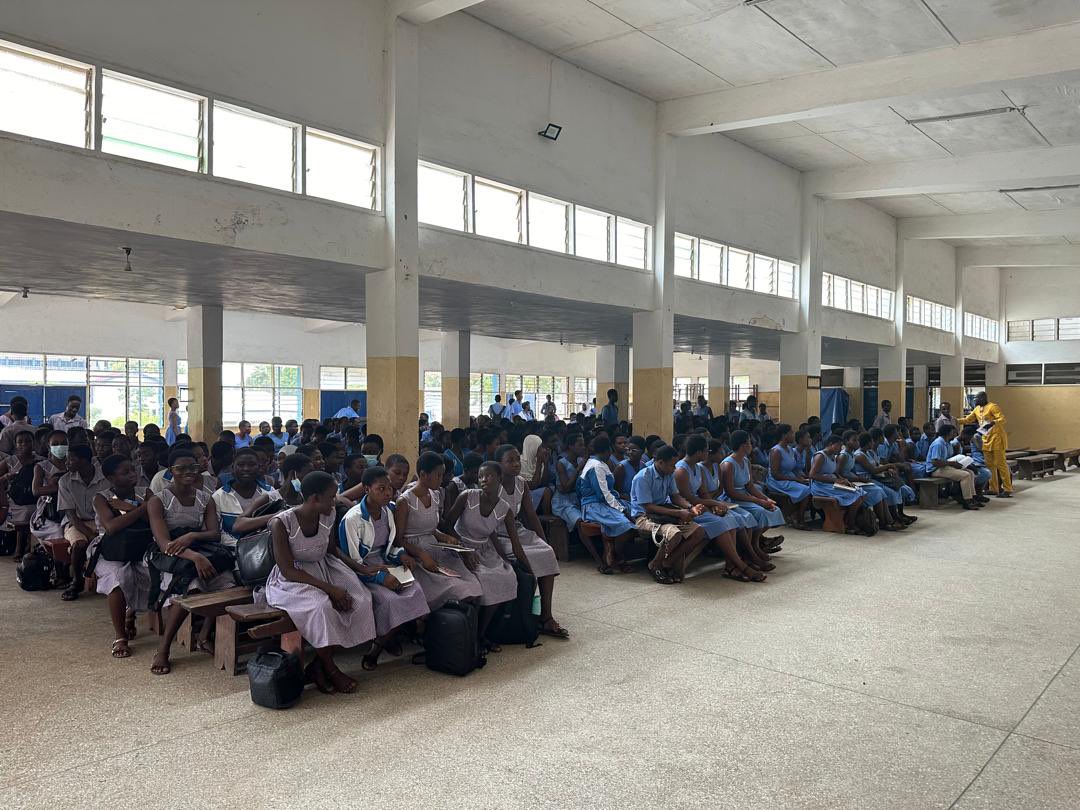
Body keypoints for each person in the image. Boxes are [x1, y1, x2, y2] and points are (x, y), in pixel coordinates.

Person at [264, 470, 375, 694]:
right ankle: (331, 668)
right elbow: (287, 569)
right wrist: (330, 589)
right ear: (314, 498)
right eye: (331, 496)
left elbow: (332, 549)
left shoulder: (329, 514)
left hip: (325, 567)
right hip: (293, 579)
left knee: (361, 599)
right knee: (321, 606)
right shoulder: (281, 523)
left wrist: (360, 568)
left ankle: (317, 665)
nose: (335, 501)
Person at [146, 446, 232, 675]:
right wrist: (195, 556)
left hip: (197, 548)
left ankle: (204, 634)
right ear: (170, 471)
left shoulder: (205, 499)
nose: (189, 472)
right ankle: (163, 649)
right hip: (169, 556)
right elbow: (164, 544)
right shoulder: (159, 500)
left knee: (229, 585)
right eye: (181, 468)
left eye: (193, 467)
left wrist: (193, 536)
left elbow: (213, 532)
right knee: (189, 589)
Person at [339, 466, 430, 670]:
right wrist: (381, 578)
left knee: (415, 590)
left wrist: (402, 556)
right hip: (365, 571)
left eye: (389, 488)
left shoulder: (388, 510)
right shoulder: (352, 520)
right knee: (389, 601)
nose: (387, 493)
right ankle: (377, 648)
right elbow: (354, 562)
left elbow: (390, 546)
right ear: (366, 489)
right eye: (381, 489)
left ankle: (394, 637)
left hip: (385, 563)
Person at [493, 445, 569, 639]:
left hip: (517, 531)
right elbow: (489, 522)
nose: (516, 464)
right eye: (510, 461)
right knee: (528, 556)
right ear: (499, 465)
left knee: (546, 552)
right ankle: (525, 613)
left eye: (517, 459)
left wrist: (544, 540)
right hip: (496, 534)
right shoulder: (494, 484)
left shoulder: (521, 483)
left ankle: (546, 616)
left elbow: (531, 515)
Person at [445, 461, 523, 646]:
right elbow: (447, 524)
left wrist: (525, 566)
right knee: (486, 579)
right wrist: (464, 550)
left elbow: (515, 542)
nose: (483, 480)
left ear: (500, 478)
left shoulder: (504, 509)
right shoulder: (467, 496)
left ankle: (482, 632)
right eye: (480, 476)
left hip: (484, 550)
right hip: (460, 547)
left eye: (489, 475)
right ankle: (473, 634)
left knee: (507, 576)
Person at [394, 451, 483, 611]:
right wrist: (422, 555)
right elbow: (399, 539)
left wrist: (446, 537)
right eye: (438, 475)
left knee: (472, 582)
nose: (442, 479)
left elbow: (431, 528)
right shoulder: (405, 501)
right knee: (454, 587)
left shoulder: (435, 495)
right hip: (417, 555)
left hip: (435, 549)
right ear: (423, 474)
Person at [88, 453, 152, 658]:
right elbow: (112, 527)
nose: (132, 474)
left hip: (142, 547)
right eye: (125, 473)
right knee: (117, 579)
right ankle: (120, 636)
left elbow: (157, 520)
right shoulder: (102, 497)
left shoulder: (146, 493)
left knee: (156, 573)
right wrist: (143, 510)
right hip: (111, 551)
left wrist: (131, 508)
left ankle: (131, 612)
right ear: (110, 478)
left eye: (133, 470)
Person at [673, 435, 753, 577]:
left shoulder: (697, 468)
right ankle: (739, 565)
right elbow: (688, 497)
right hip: (686, 508)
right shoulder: (681, 470)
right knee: (720, 523)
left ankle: (730, 565)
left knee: (730, 520)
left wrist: (715, 506)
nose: (706, 454)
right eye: (705, 451)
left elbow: (703, 493)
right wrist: (715, 503)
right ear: (699, 452)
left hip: (700, 505)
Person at [719, 430, 785, 563]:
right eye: (750, 442)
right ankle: (753, 547)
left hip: (745, 495)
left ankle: (756, 540)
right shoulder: (728, 464)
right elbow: (731, 491)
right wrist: (758, 501)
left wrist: (766, 499)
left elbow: (750, 486)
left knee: (773, 509)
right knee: (760, 511)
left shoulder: (746, 461)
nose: (751, 445)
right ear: (743, 445)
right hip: (733, 499)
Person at [56, 444, 112, 601]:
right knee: (80, 544)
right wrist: (91, 534)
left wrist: (100, 529)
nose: (67, 463)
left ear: (85, 461)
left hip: (102, 519)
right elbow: (71, 515)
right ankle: (76, 581)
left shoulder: (105, 478)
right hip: (76, 522)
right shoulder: (65, 481)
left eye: (71, 459)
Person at [579, 435, 637, 574]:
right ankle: (617, 555)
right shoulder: (596, 466)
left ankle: (613, 550)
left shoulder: (600, 463)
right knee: (626, 524)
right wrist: (622, 510)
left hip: (604, 502)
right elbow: (603, 494)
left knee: (637, 514)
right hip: (594, 505)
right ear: (607, 451)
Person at [212, 448, 274, 546]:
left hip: (265, 551)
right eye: (241, 465)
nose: (246, 468)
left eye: (252, 465)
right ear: (233, 467)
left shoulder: (270, 492)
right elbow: (218, 531)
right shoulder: (219, 496)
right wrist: (241, 547)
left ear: (259, 467)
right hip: (231, 552)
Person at [809, 434, 868, 534]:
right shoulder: (820, 456)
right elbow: (812, 475)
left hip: (830, 483)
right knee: (855, 495)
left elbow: (835, 472)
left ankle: (848, 521)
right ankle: (851, 525)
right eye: (839, 446)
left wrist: (845, 481)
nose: (841, 449)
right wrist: (834, 481)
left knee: (860, 492)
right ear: (831, 444)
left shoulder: (832, 456)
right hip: (820, 486)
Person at [958, 392, 1012, 498]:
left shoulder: (993, 407)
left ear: (983, 398)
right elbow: (968, 419)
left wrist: (993, 422)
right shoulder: (977, 409)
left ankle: (1007, 489)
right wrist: (956, 420)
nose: (974, 400)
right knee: (989, 465)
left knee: (1001, 464)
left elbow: (1002, 419)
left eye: (976, 398)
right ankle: (993, 488)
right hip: (985, 439)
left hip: (997, 438)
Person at [0, 430, 40, 557]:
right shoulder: (9, 461)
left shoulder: (41, 461)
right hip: (15, 498)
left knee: (33, 510)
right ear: (15, 444)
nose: (24, 444)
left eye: (28, 441)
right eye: (20, 442)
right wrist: (7, 477)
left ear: (34, 443)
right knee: (23, 512)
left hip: (35, 497)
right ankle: (19, 547)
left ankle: (30, 547)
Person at [925, 425, 984, 509]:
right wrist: (952, 463)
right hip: (935, 470)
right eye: (953, 433)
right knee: (965, 475)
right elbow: (935, 462)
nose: (955, 435)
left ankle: (972, 497)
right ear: (947, 433)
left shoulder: (948, 443)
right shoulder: (938, 443)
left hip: (944, 467)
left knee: (970, 472)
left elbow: (949, 458)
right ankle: (967, 501)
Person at [766, 424, 812, 529]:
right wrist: (796, 479)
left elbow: (794, 469)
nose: (793, 435)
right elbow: (775, 474)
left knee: (809, 485)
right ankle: (799, 518)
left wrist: (801, 478)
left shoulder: (791, 450)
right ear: (784, 435)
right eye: (791, 433)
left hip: (789, 477)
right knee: (806, 490)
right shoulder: (776, 451)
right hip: (777, 481)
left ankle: (794, 515)